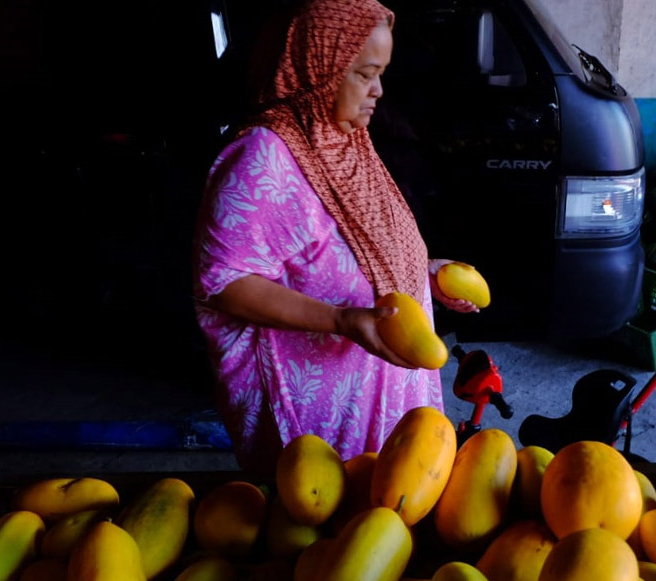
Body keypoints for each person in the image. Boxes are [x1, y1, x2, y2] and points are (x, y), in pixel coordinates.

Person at [192, 0, 475, 476]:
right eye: (366, 74)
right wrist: (341, 320)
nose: (379, 91)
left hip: (384, 394)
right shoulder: (264, 156)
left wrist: (418, 272)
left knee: (389, 512)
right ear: (321, 68)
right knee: (332, 531)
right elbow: (222, 281)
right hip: (321, 417)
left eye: (381, 73)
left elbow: (356, 242)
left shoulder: (343, 139)